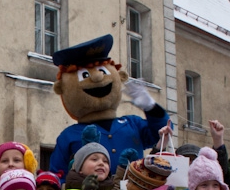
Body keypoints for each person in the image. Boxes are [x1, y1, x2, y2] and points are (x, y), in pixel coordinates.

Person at [48, 34, 169, 180]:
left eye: (102, 70)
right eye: (84, 75)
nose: (98, 77)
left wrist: (151, 107)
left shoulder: (132, 124)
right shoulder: (69, 136)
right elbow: (57, 176)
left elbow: (162, 133)